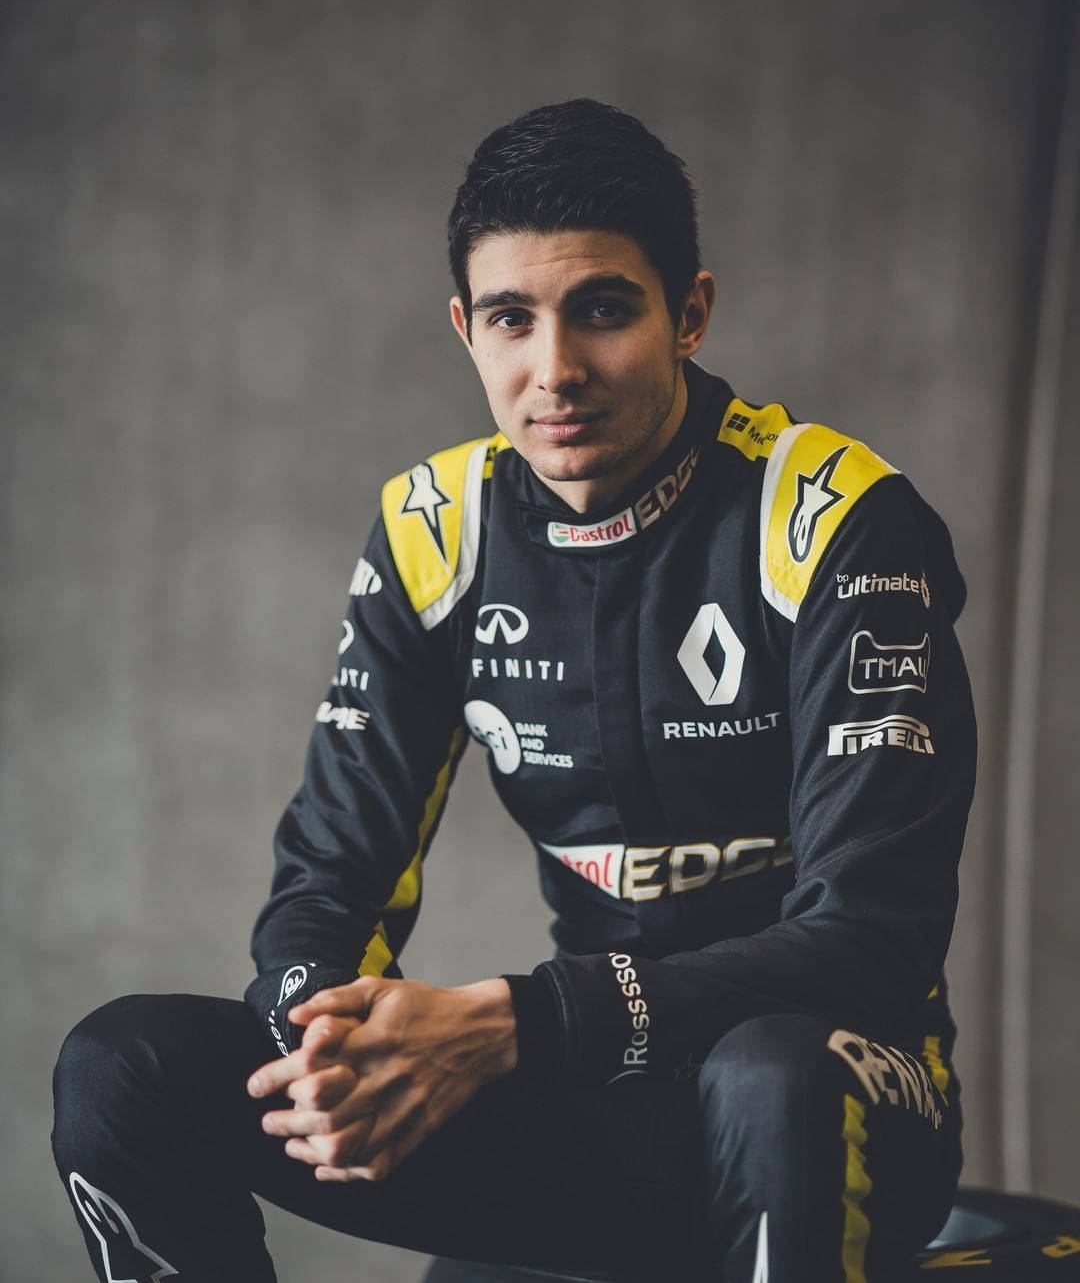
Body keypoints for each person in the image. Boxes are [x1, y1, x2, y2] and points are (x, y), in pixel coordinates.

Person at [52, 98, 976, 1283]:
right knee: (121, 1062)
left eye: (602, 309)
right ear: (464, 329)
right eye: (510, 318)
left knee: (771, 1073)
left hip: (840, 1094)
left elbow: (871, 943)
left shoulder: (839, 520)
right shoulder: (435, 529)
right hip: (588, 1108)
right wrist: (326, 1040)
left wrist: (521, 1021)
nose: (555, 372)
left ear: (690, 312)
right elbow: (328, 886)